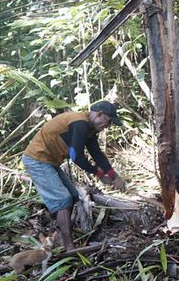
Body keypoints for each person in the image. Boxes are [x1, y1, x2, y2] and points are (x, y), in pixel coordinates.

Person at [22, 101, 125, 250]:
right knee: (63, 199)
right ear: (99, 114)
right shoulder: (79, 122)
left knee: (72, 195)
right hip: (37, 159)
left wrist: (113, 175)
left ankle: (60, 235)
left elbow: (96, 153)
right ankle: (69, 247)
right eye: (108, 121)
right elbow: (76, 156)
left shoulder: (88, 129)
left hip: (49, 161)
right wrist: (99, 173)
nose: (107, 126)